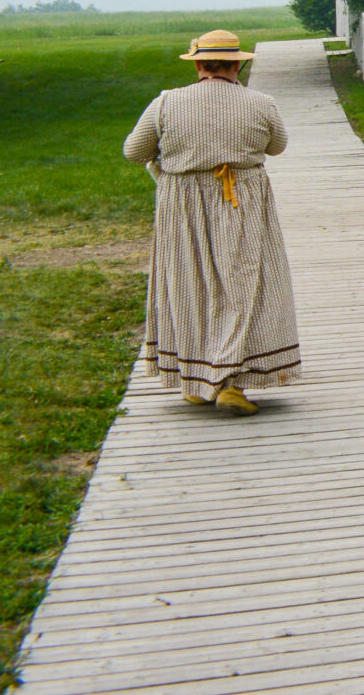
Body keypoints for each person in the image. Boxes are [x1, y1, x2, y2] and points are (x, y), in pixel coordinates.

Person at [124, 29, 302, 414]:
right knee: (244, 286)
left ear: (199, 66)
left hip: (182, 207)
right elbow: (278, 146)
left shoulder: (166, 103)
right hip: (243, 202)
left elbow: (134, 151)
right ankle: (229, 384)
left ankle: (198, 377)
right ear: (237, 65)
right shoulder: (261, 103)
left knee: (191, 285)